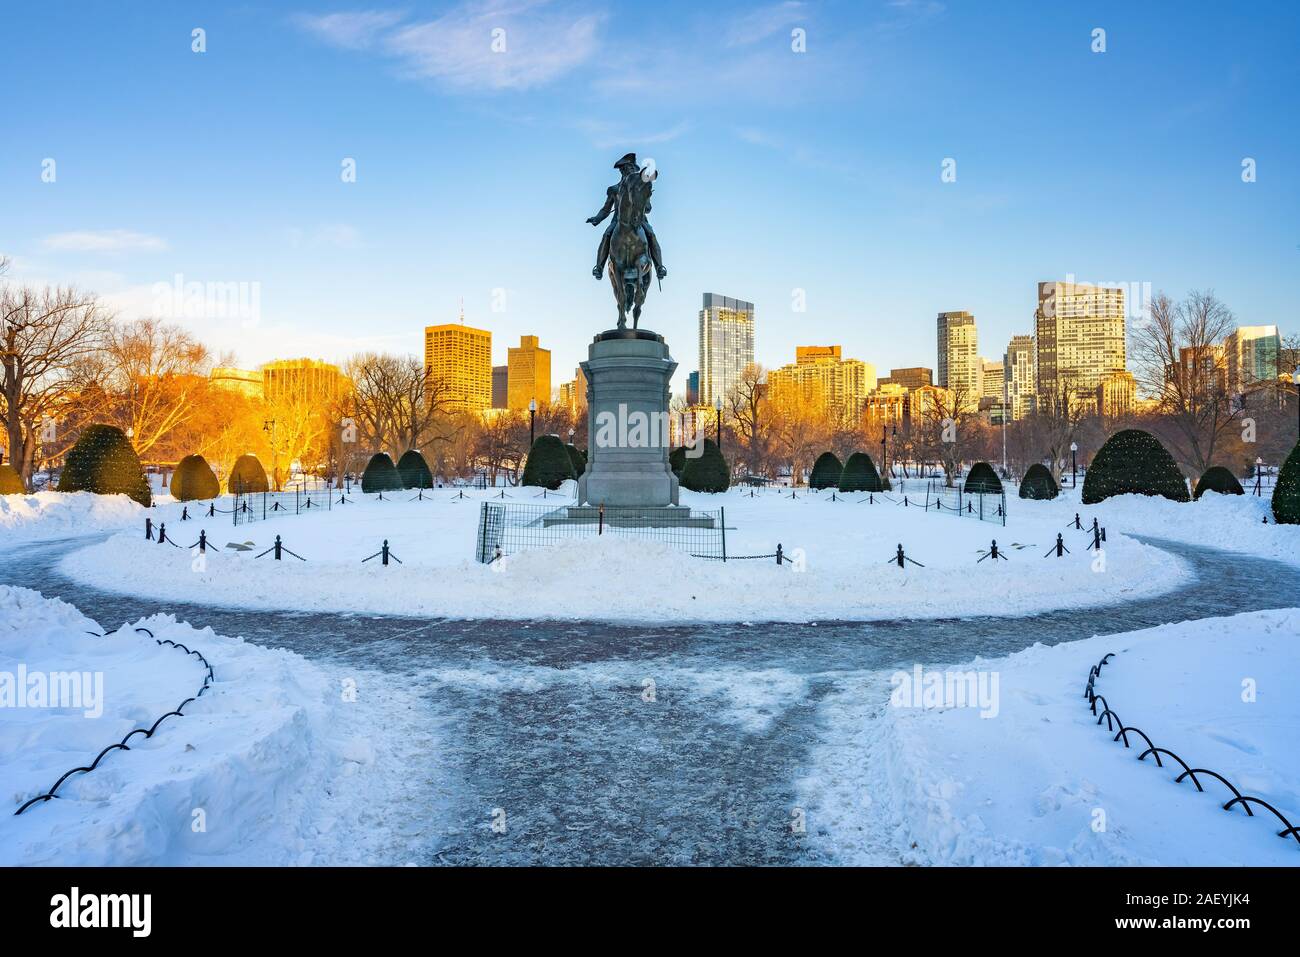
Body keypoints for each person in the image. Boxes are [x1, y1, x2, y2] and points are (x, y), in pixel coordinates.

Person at [587, 152, 666, 280]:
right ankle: (599, 267)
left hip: (639, 220)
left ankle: (659, 267)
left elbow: (648, 207)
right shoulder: (614, 189)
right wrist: (596, 218)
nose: (632, 171)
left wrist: (646, 205)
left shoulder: (640, 187)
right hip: (617, 221)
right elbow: (606, 209)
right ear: (622, 170)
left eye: (634, 169)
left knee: (651, 234)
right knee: (607, 235)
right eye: (629, 168)